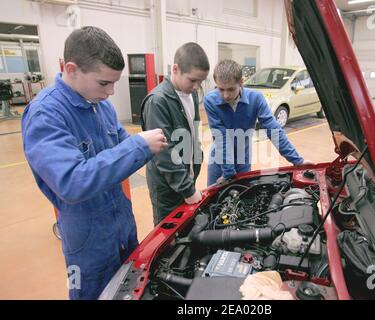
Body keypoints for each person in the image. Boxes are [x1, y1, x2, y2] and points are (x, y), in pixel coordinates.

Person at [21, 26, 167, 299]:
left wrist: (148, 146)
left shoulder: (101, 106)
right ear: (72, 69)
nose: (111, 92)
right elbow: (72, 182)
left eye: (115, 83)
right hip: (86, 240)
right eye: (104, 83)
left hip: (122, 225)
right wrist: (138, 146)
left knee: (129, 289)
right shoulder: (46, 114)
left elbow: (123, 147)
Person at [204, 59, 311, 186]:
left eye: (231, 89)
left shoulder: (256, 99)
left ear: (241, 82)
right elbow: (222, 138)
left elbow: (273, 129)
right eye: (221, 89)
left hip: (242, 160)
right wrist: (228, 173)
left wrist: (297, 160)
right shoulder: (210, 100)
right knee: (214, 201)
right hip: (219, 161)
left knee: (243, 198)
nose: (226, 95)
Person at [141, 42, 209, 225]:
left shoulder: (191, 95)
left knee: (187, 227)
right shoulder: (157, 102)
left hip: (186, 177)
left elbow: (193, 131)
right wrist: (187, 189)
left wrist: (197, 158)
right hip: (167, 188)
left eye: (201, 82)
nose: (196, 87)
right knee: (168, 233)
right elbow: (164, 154)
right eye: (192, 80)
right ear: (176, 69)